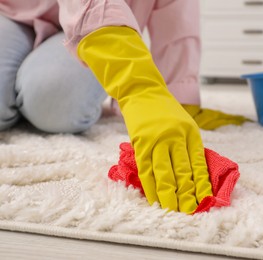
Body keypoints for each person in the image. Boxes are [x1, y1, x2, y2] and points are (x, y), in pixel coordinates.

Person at [0, 0, 248, 214]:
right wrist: (138, 87)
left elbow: (178, 14)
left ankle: (27, 96)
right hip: (15, 13)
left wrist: (178, 95)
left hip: (88, 29)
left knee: (56, 104)